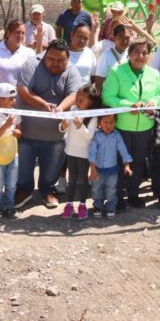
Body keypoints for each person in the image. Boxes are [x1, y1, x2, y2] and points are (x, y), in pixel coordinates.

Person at [14, 39, 81, 209]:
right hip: (27, 131)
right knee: (24, 166)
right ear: (44, 55)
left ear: (68, 59)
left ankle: (46, 190)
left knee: (52, 168)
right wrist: (44, 105)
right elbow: (23, 91)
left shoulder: (72, 71)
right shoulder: (31, 64)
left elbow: (74, 94)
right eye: (51, 59)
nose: (55, 63)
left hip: (55, 134)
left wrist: (61, 107)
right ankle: (24, 190)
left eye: (61, 60)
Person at [102, 38, 160, 209]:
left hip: (145, 127)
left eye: (145, 53)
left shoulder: (154, 74)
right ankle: (118, 197)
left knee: (138, 162)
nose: (141, 56)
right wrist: (127, 105)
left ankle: (133, 194)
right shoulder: (116, 72)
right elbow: (107, 97)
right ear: (129, 54)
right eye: (136, 52)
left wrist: (154, 102)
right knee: (122, 162)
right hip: (122, 127)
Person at [59, 85, 100, 220]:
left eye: (81, 100)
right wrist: (63, 126)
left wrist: (79, 126)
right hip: (70, 151)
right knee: (71, 180)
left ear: (91, 102)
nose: (77, 102)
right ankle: (69, 204)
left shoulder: (92, 117)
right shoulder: (73, 109)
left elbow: (89, 136)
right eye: (77, 99)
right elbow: (63, 128)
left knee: (82, 180)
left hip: (83, 154)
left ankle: (82, 205)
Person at [0, 83, 21, 220]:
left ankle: (9, 207)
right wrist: (7, 125)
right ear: (0, 99)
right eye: (11, 98)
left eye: (14, 98)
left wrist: (18, 132)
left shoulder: (16, 112)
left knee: (12, 184)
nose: (14, 101)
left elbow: (19, 131)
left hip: (13, 154)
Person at [88, 114, 133, 219]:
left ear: (115, 123)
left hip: (112, 171)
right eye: (105, 122)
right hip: (97, 170)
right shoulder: (96, 136)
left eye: (111, 122)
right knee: (96, 189)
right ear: (99, 123)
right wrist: (92, 169)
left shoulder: (116, 135)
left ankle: (110, 208)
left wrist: (127, 165)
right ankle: (97, 207)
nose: (108, 125)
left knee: (111, 190)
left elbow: (123, 150)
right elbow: (92, 152)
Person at [0, 19, 36, 85]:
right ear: (8, 33)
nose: (20, 36)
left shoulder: (29, 53)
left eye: (23, 33)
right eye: (17, 32)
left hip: (20, 95)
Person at [92, 24, 130, 91]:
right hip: (109, 97)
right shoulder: (106, 55)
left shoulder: (132, 54)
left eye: (127, 38)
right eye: (121, 37)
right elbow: (99, 82)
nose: (124, 41)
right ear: (114, 38)